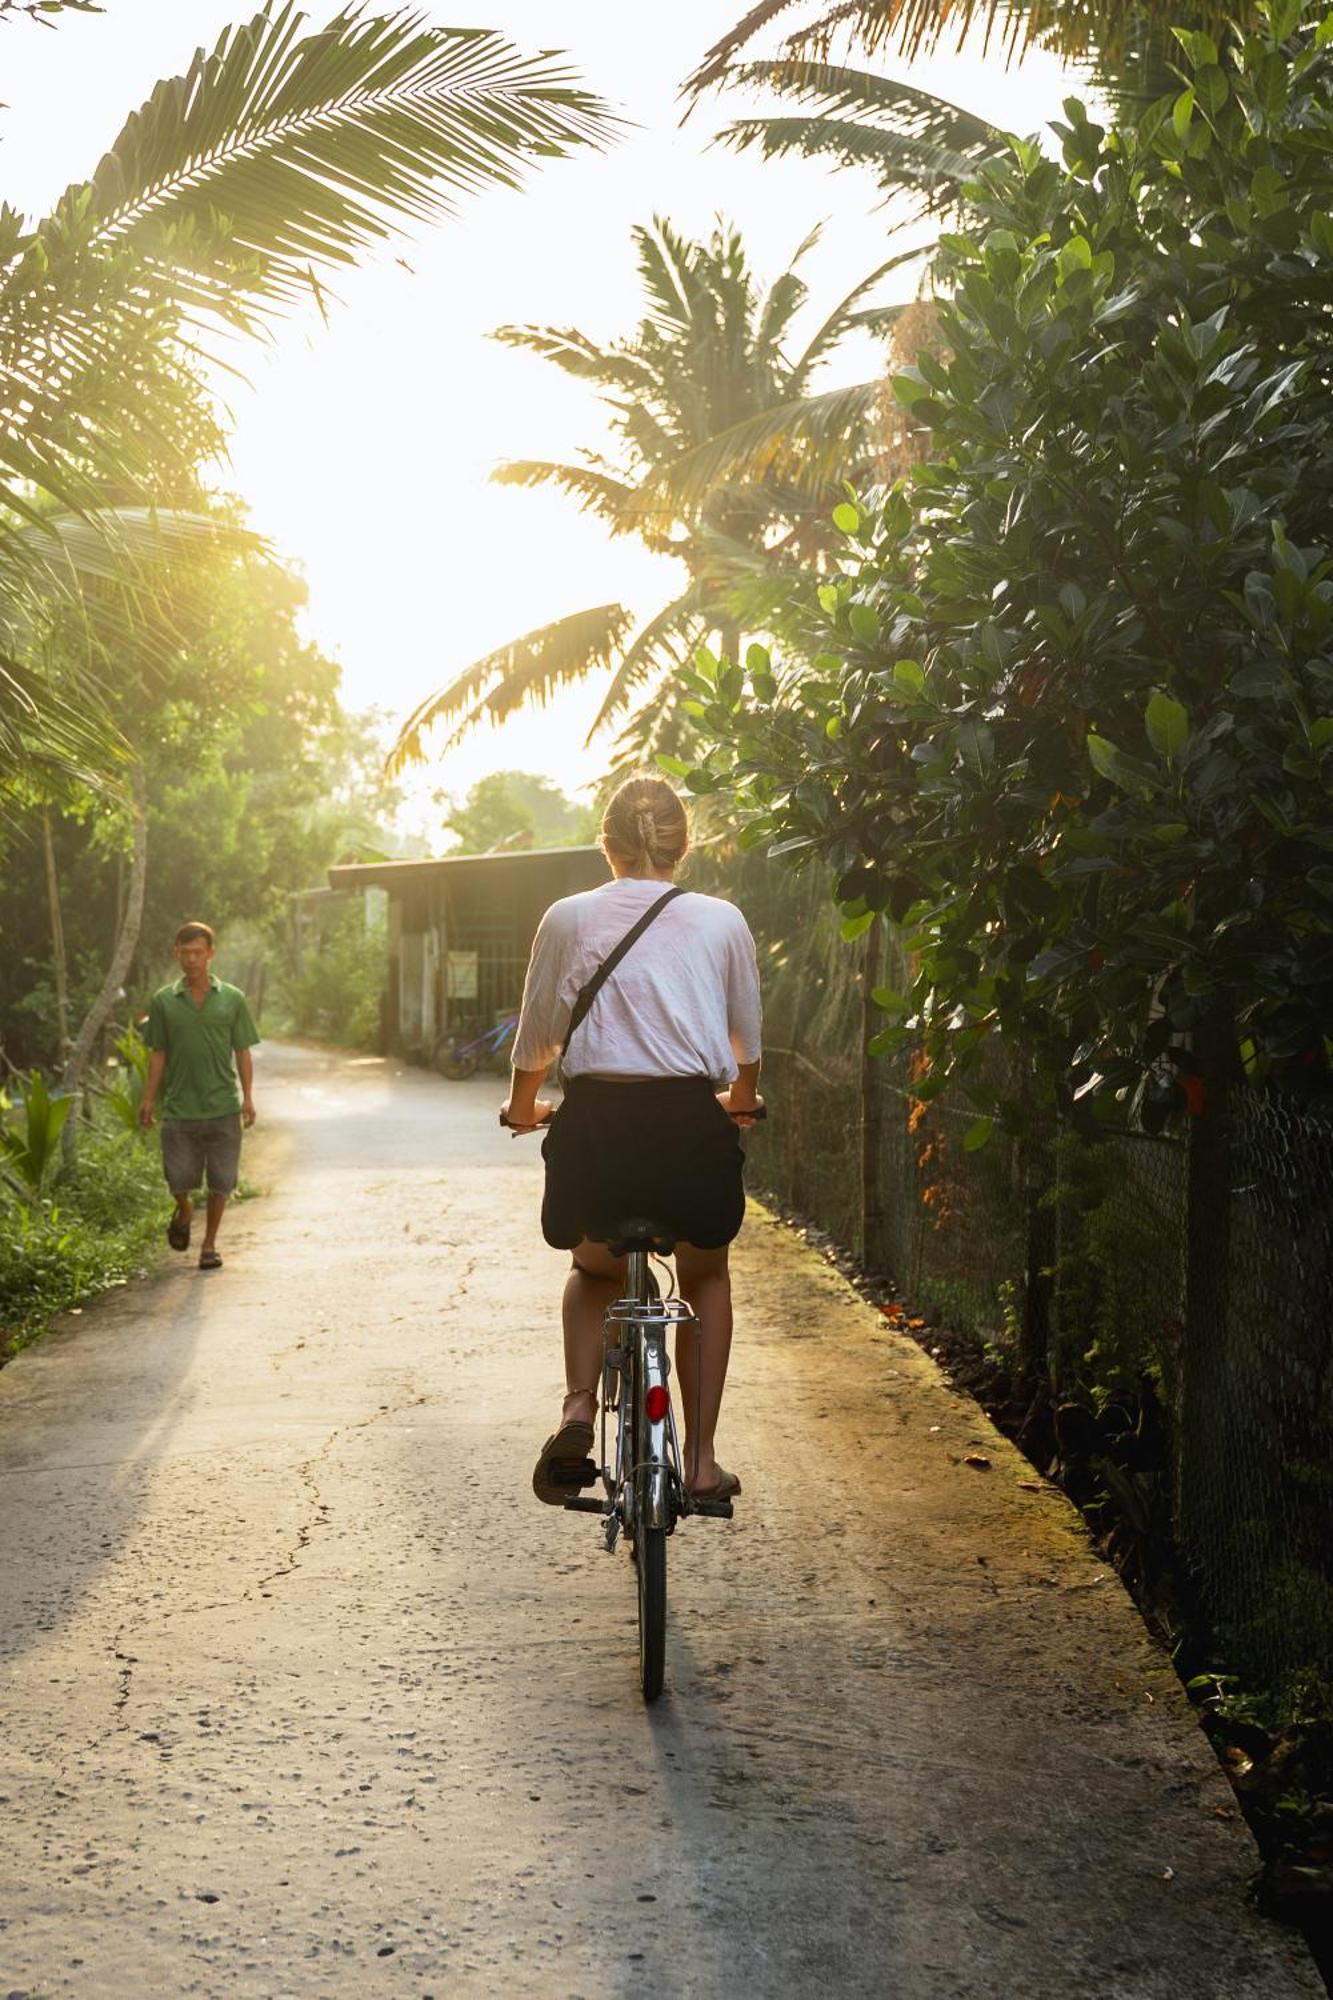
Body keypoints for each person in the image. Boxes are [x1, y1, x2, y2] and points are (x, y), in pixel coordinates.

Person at [503, 775, 763, 1506]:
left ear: (605, 844)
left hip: (596, 1133)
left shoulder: (566, 917)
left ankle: (579, 1406)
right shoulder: (721, 921)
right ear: (683, 847)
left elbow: (534, 1047)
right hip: (690, 1130)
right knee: (705, 1275)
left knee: (594, 1273)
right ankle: (704, 1463)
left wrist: (524, 1108)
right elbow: (746, 1042)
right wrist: (741, 1101)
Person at [139, 921, 260, 1272]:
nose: (192, 959)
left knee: (221, 1180)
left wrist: (248, 1097)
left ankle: (209, 1245)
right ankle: (185, 1209)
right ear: (176, 953)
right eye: (185, 952)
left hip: (222, 1104)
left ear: (211, 954)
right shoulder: (163, 1001)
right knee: (178, 1178)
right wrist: (149, 1098)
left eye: (198, 952)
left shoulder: (233, 999)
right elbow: (158, 1052)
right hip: (179, 1108)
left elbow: (243, 1051)